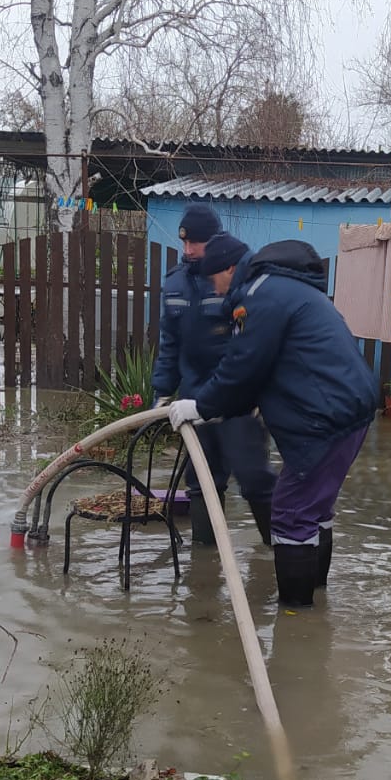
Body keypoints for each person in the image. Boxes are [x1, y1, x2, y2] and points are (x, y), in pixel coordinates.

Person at [168, 238, 380, 608]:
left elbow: (243, 368)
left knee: (291, 511)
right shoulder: (284, 289)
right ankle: (316, 599)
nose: (211, 287)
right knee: (315, 508)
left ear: (230, 269)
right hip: (350, 411)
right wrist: (222, 406)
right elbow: (264, 370)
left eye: (213, 277)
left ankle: (296, 624)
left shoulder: (260, 297)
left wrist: (200, 406)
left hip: (323, 419)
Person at [151, 203, 277, 547]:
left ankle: (278, 552)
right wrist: (162, 392)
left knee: (252, 476)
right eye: (186, 243)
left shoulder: (235, 274)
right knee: (202, 480)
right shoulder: (175, 282)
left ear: (216, 240)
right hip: (194, 396)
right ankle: (204, 565)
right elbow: (169, 343)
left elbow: (253, 343)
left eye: (197, 244)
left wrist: (256, 396)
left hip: (237, 398)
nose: (189, 250)